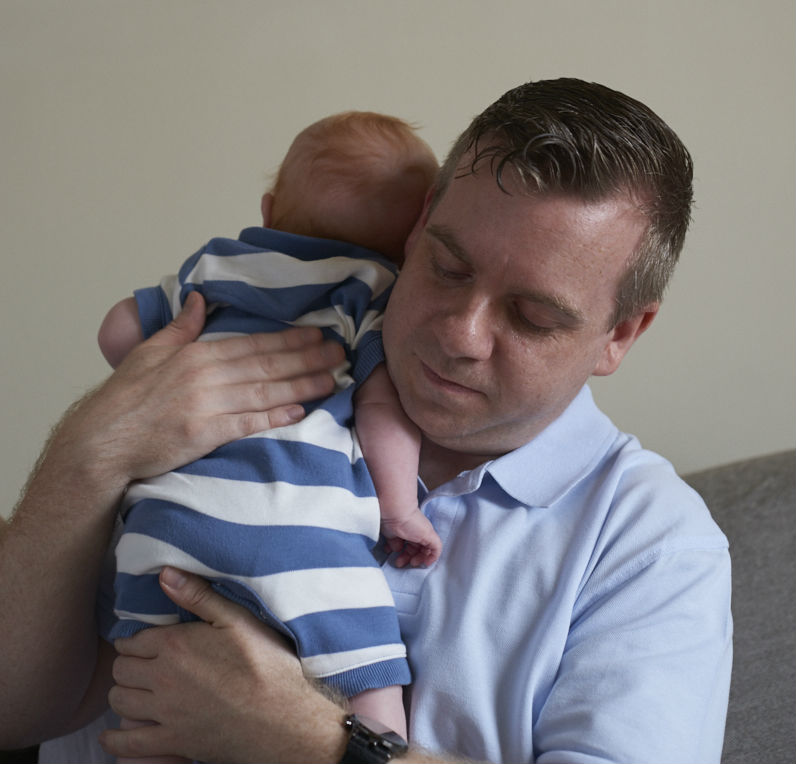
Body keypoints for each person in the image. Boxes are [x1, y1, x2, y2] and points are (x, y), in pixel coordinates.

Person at [0, 78, 732, 764]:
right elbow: (18, 709)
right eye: (447, 267)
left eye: (531, 317)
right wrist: (85, 456)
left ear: (621, 335)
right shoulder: (209, 378)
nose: (460, 335)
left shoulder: (651, 545)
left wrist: (312, 741)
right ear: (418, 227)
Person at [96, 111, 442, 743]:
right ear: (410, 242)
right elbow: (381, 408)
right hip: (300, 540)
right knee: (370, 678)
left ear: (268, 208)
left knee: (148, 703)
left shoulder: (215, 266)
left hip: (162, 527)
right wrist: (398, 508)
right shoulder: (368, 288)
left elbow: (117, 331)